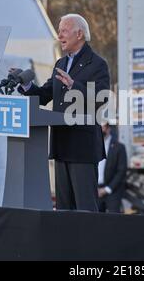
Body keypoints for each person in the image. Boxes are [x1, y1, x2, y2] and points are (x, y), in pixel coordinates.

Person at [17, 14, 110, 212]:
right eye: (59, 31)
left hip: (83, 149)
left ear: (79, 34)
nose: (59, 36)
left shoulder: (97, 64)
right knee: (63, 210)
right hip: (62, 146)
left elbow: (102, 99)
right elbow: (43, 96)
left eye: (64, 31)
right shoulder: (60, 64)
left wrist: (73, 86)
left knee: (85, 209)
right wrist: (25, 84)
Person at [97, 123, 127, 213]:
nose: (101, 129)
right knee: (94, 221)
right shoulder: (93, 147)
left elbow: (121, 171)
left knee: (113, 221)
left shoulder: (119, 147)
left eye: (103, 126)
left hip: (112, 190)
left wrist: (107, 189)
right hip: (96, 190)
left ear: (109, 128)